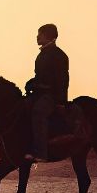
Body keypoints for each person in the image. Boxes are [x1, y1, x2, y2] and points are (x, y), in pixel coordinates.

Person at [28, 23, 69, 161]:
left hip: (52, 96)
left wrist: (61, 102)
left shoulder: (59, 55)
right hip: (40, 93)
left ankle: (40, 152)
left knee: (38, 112)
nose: (37, 37)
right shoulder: (42, 55)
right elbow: (40, 76)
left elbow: (62, 81)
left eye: (40, 34)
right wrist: (32, 83)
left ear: (48, 36)